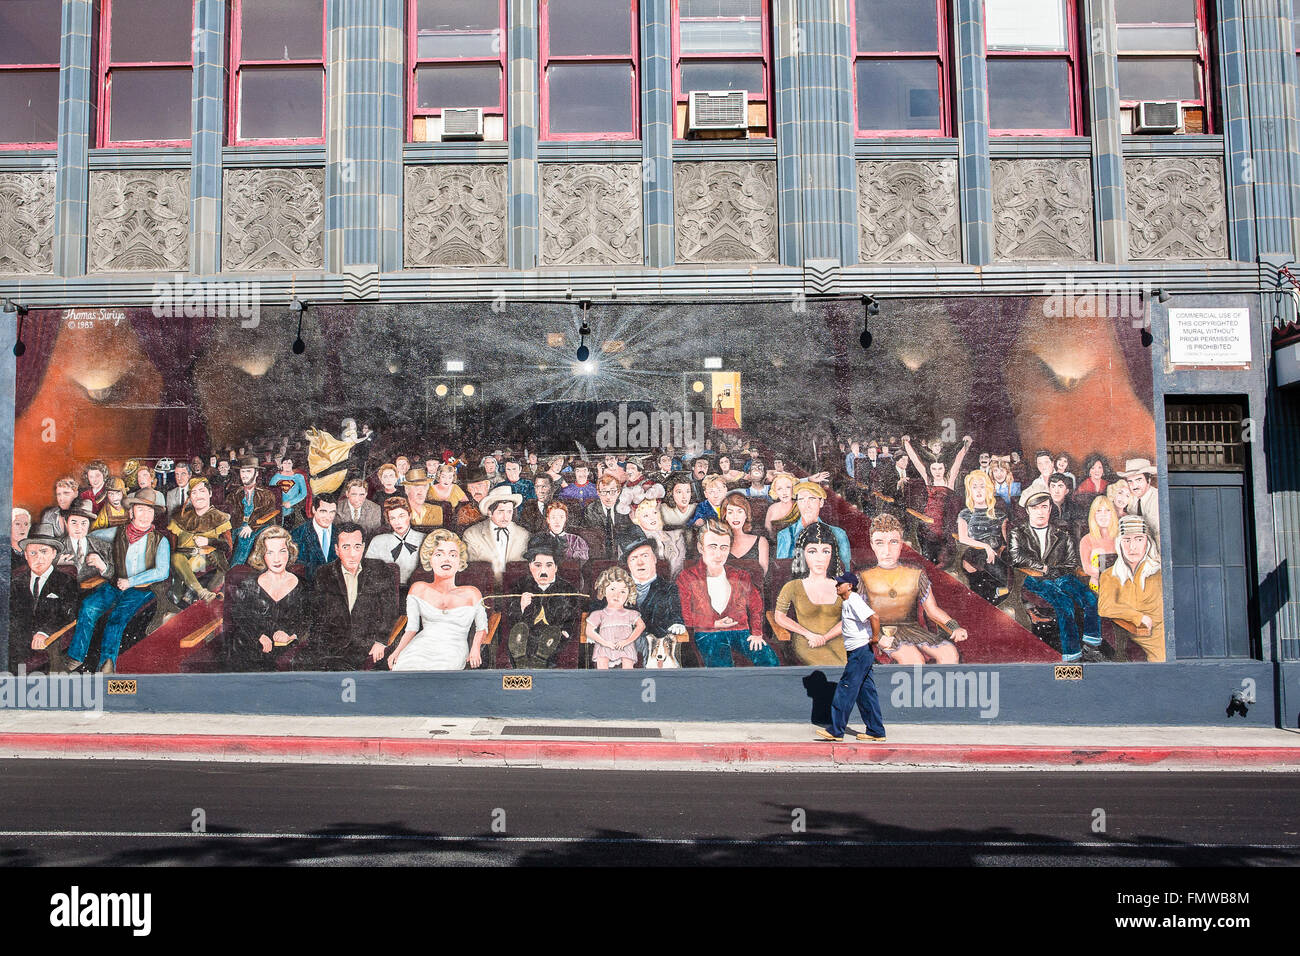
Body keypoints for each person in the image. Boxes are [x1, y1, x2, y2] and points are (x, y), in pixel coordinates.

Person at [66, 494, 172, 674]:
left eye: (149, 511)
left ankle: (107, 663)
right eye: (140, 510)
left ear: (154, 515)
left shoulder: (161, 541)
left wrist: (131, 581)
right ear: (131, 512)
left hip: (141, 589)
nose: (145, 515)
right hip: (115, 584)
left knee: (116, 619)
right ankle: (76, 656)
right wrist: (77, 547)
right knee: (88, 606)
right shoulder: (118, 531)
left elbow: (162, 572)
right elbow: (90, 535)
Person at [859, 513, 967, 665]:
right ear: (872, 545)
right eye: (880, 543)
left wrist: (954, 626)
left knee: (949, 652)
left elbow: (933, 610)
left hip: (913, 630)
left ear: (901, 543)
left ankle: (943, 688)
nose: (887, 550)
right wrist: (877, 637)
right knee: (913, 659)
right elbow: (857, 617)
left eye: (893, 542)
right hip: (880, 632)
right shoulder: (863, 577)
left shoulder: (916, 574)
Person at [1009, 491, 1103, 663]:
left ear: (1050, 509)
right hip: (1033, 578)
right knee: (1064, 603)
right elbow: (1016, 557)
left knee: (1090, 597)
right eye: (1035, 507)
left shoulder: (1062, 534)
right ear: (1028, 510)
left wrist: (1057, 572)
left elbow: (1071, 561)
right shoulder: (1018, 533)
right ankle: (1072, 654)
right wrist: (1044, 568)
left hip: (1061, 576)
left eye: (1044, 507)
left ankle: (1091, 646)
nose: (1040, 511)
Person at [676, 519, 778, 667]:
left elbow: (756, 605)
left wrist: (756, 632)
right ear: (700, 547)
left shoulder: (741, 576)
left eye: (724, 547)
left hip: (740, 631)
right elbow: (684, 615)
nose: (718, 554)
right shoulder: (687, 577)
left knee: (771, 661)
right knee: (723, 670)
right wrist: (712, 623)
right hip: (708, 633)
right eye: (712, 547)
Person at [388, 530, 488, 671]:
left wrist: (475, 649)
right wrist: (397, 652)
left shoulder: (472, 593)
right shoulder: (418, 589)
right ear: (429, 558)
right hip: (420, 647)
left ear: (460, 561)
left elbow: (482, 628)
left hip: (453, 649)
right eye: (439, 554)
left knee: (439, 676)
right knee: (403, 668)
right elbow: (411, 628)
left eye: (452, 555)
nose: (446, 559)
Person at [309, 521, 401, 671]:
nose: (352, 553)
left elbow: (390, 611)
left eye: (357, 547)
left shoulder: (380, 569)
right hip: (333, 647)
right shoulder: (323, 574)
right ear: (337, 550)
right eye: (346, 547)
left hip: (367, 645)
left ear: (364, 548)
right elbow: (317, 616)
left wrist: (381, 642)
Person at [225, 525, 311, 672]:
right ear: (262, 555)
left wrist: (291, 634)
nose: (277, 558)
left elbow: (309, 620)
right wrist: (258, 636)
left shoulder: (304, 586)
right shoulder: (249, 585)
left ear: (289, 552)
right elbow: (239, 618)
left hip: (287, 654)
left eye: (282, 551)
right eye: (270, 552)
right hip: (250, 652)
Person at [814, 573, 885, 743]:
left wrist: (875, 638)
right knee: (866, 693)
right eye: (837, 583)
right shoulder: (847, 602)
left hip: (860, 652)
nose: (837, 586)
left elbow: (874, 617)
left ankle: (836, 731)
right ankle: (876, 731)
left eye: (840, 583)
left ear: (850, 586)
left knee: (845, 690)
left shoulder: (854, 600)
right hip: (859, 653)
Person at [502, 540, 584, 669]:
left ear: (556, 567)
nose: (543, 571)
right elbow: (511, 619)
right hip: (527, 635)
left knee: (552, 636)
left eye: (549, 565)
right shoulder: (520, 586)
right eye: (538, 565)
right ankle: (521, 661)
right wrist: (522, 607)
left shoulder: (568, 589)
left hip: (553, 637)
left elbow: (572, 616)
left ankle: (539, 661)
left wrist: (566, 631)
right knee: (520, 635)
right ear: (530, 566)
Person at [775, 522, 848, 666]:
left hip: (838, 639)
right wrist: (809, 634)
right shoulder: (793, 586)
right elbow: (779, 616)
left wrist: (825, 637)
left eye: (825, 551)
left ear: (832, 554)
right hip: (807, 642)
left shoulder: (843, 586)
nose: (819, 558)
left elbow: (850, 618)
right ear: (803, 554)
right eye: (812, 551)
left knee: (853, 667)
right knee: (835, 670)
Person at [10, 524, 80, 673]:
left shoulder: (66, 581)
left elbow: (69, 613)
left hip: (51, 639)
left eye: (44, 551)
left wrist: (44, 632)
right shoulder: (16, 582)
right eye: (33, 553)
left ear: (54, 554)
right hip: (19, 641)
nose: (38, 558)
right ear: (26, 555)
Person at [1097, 515, 1165, 662]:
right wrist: (1137, 617)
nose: (1132, 547)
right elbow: (1105, 607)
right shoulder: (1110, 575)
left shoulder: (1159, 572)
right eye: (1126, 540)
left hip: (1164, 637)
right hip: (1137, 635)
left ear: (1147, 543)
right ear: (1119, 544)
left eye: (1139, 539)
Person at [618, 536, 687, 661]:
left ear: (654, 559)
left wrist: (678, 622)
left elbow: (676, 612)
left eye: (645, 556)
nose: (640, 562)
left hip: (656, 649)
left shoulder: (669, 589)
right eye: (634, 558)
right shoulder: (617, 587)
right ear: (628, 564)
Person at [166, 477, 233, 604]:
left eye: (202, 491)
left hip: (206, 560)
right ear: (190, 497)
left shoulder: (220, 518)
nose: (198, 496)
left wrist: (209, 541)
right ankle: (200, 592)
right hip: (182, 561)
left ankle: (192, 592)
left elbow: (228, 547)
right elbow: (172, 547)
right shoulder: (180, 518)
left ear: (210, 493)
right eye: (194, 493)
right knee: (176, 557)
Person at [955, 469, 1009, 605]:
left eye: (982, 487)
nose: (978, 491)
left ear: (988, 490)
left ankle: (997, 592)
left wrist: (998, 550)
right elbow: (962, 538)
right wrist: (986, 547)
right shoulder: (965, 514)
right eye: (974, 487)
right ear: (970, 491)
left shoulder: (1000, 514)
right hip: (974, 552)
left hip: (996, 555)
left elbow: (1006, 541)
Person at [774, 481, 851, 568]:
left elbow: (846, 570)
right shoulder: (785, 535)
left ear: (821, 502)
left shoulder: (838, 534)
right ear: (797, 503)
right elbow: (782, 571)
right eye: (801, 500)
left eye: (812, 499)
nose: (807, 505)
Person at [586, 566, 645, 670]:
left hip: (625, 646)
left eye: (623, 591)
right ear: (604, 590)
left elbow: (641, 626)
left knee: (627, 667)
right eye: (612, 589)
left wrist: (627, 641)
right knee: (602, 664)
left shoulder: (631, 613)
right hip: (604, 645)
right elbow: (589, 631)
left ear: (629, 594)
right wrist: (604, 643)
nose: (617, 595)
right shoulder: (599, 614)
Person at [463, 486, 528, 579]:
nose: (506, 517)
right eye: (501, 512)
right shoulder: (471, 534)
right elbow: (471, 570)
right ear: (490, 512)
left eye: (509, 512)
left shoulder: (523, 534)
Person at [229, 456, 280, 566]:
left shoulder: (266, 494)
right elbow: (228, 513)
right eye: (242, 471)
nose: (244, 475)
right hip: (238, 525)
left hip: (260, 526)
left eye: (248, 471)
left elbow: (269, 515)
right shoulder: (235, 494)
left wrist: (251, 526)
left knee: (244, 537)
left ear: (256, 473)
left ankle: (233, 569)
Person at [365, 498, 427, 587]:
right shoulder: (378, 541)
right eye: (392, 518)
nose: (398, 522)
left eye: (401, 516)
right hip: (387, 590)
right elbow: (369, 572)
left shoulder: (424, 538)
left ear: (410, 515)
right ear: (388, 521)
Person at [56, 500, 115, 584]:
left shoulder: (104, 546)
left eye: (84, 523)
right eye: (74, 522)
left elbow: (116, 578)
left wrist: (103, 567)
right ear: (66, 523)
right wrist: (55, 565)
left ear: (89, 525)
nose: (79, 527)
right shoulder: (55, 546)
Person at [629, 497, 687, 577]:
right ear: (637, 520)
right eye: (646, 515)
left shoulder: (676, 536)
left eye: (655, 512)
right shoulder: (635, 542)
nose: (652, 518)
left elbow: (679, 565)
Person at [583, 475, 636, 558]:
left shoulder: (624, 508)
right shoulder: (591, 509)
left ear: (618, 492)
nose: (608, 497)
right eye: (604, 491)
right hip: (600, 554)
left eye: (612, 491)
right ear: (598, 492)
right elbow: (597, 536)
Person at [290, 493, 338, 582]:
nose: (328, 517)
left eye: (332, 512)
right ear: (313, 510)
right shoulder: (298, 534)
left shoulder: (340, 533)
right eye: (323, 511)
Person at [721, 492, 768, 576]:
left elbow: (762, 575)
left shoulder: (761, 541)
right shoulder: (719, 542)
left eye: (739, 511)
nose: (735, 516)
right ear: (726, 517)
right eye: (730, 512)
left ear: (746, 515)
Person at [1079, 494, 1119, 589]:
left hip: (1120, 584)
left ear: (1112, 514)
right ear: (1093, 515)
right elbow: (1087, 568)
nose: (1103, 515)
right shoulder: (1086, 540)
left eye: (1107, 510)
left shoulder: (1120, 537)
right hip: (1098, 586)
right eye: (1098, 511)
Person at [1120, 458, 1160, 543]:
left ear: (1148, 480)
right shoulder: (1130, 499)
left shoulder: (1157, 498)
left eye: (1138, 480)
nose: (1134, 485)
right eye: (1130, 481)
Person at [270, 457, 309, 529]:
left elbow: (304, 493)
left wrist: (291, 503)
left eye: (289, 463)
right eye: (285, 463)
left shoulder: (298, 477)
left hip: (292, 510)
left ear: (292, 464)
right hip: (277, 511)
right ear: (281, 464)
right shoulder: (276, 477)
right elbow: (270, 492)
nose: (287, 465)